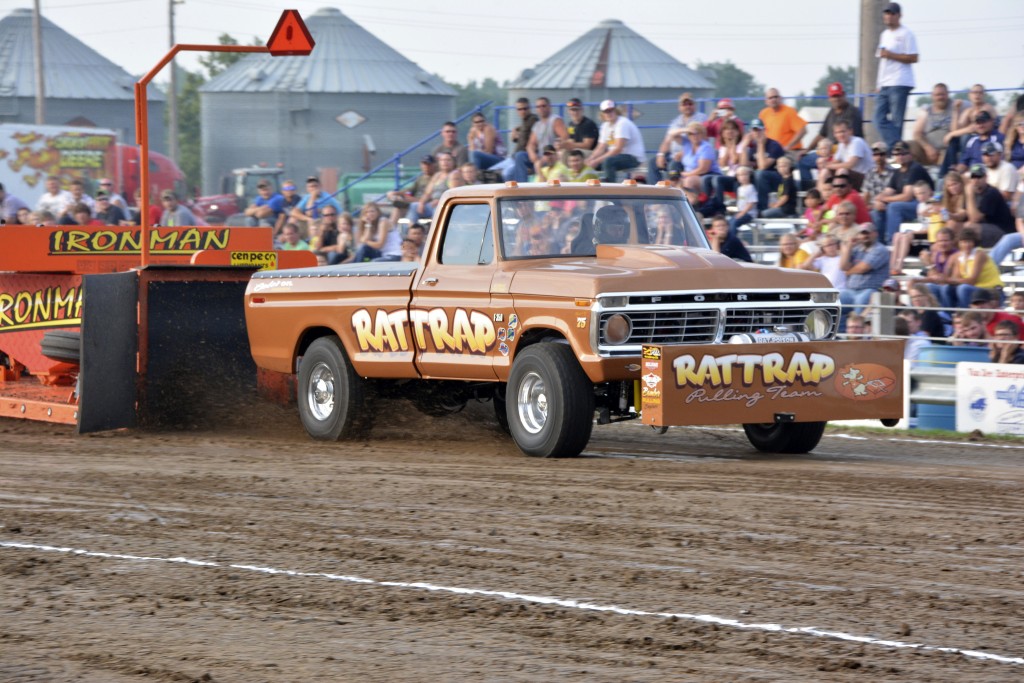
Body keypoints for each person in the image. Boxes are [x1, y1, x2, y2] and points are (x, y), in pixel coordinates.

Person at [871, 140, 934, 244]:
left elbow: (907, 196)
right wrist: (878, 201)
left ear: (910, 155)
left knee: (894, 207)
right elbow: (888, 191)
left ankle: (892, 243)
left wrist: (885, 200)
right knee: (876, 210)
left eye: (903, 153)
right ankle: (879, 244)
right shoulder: (897, 172)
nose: (900, 156)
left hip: (924, 204)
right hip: (910, 205)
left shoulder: (915, 168)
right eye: (897, 154)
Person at [874, 2, 919, 149]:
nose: (889, 16)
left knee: (897, 121)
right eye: (886, 13)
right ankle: (898, 147)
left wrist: (891, 55)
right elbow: (882, 61)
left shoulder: (906, 33)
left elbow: (914, 57)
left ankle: (896, 152)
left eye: (892, 13)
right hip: (885, 83)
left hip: (900, 82)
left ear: (899, 15)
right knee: (877, 118)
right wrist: (878, 84)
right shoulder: (884, 35)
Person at [935, 227, 1004, 310]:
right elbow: (955, 278)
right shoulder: (959, 257)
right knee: (946, 288)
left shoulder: (979, 254)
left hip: (991, 289)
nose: (966, 245)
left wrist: (948, 279)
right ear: (959, 243)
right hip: (975, 289)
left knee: (963, 288)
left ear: (974, 242)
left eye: (969, 242)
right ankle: (948, 314)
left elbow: (971, 281)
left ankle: (966, 314)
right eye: (963, 242)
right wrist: (948, 279)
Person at [838, 223, 890, 325]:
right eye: (862, 233)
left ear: (875, 234)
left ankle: (859, 336)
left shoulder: (880, 249)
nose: (865, 236)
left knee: (860, 307)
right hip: (850, 290)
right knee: (834, 305)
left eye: (868, 233)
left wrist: (849, 271)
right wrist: (848, 246)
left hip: (870, 290)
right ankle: (840, 336)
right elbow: (842, 267)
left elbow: (863, 268)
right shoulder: (856, 249)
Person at [586, 101, 646, 182]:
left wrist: (596, 161)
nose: (609, 113)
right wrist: (590, 159)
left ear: (616, 111)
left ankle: (610, 186)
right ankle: (592, 185)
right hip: (619, 157)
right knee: (590, 163)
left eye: (611, 110)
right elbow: (600, 147)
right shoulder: (605, 126)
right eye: (606, 111)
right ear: (602, 114)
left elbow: (618, 149)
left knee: (608, 161)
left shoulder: (622, 123)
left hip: (633, 158)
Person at [654, 93, 709, 181]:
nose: (687, 106)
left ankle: (673, 190)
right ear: (679, 107)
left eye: (690, 104)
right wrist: (660, 154)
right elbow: (667, 140)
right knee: (653, 163)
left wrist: (684, 151)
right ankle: (655, 190)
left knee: (674, 165)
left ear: (694, 105)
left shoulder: (701, 118)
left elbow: (702, 139)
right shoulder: (676, 121)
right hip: (673, 154)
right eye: (684, 104)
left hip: (690, 154)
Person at [514, 97, 567, 183]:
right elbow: (531, 144)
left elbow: (564, 138)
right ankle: (522, 186)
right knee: (519, 156)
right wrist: (532, 155)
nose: (541, 109)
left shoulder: (555, 121)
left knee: (509, 172)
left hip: (552, 156)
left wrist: (551, 154)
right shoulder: (537, 125)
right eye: (538, 107)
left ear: (549, 107)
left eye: (543, 106)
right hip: (540, 158)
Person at [889, 180, 938, 275]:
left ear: (930, 192)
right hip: (923, 234)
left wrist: (913, 233)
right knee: (897, 235)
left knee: (907, 235)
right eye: (918, 194)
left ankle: (899, 266)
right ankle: (892, 266)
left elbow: (931, 228)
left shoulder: (935, 205)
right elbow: (923, 225)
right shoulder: (920, 206)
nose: (921, 196)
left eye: (923, 193)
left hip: (931, 237)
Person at [964, 163, 1015, 249]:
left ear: (986, 178)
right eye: (973, 177)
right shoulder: (974, 192)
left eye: (979, 177)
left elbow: (975, 218)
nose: (976, 180)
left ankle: (974, 255)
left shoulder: (991, 193)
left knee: (970, 228)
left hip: (1004, 231)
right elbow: (966, 213)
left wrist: (969, 195)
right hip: (987, 227)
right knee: (958, 226)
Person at [745, 118, 787, 212]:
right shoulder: (752, 147)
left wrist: (760, 145)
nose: (757, 133)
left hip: (778, 178)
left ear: (764, 130)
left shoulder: (774, 145)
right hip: (761, 180)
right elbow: (744, 163)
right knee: (741, 174)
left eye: (759, 130)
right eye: (754, 130)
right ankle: (743, 208)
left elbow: (763, 166)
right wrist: (744, 146)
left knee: (760, 173)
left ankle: (762, 208)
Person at [911, 83, 954, 171]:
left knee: (948, 155)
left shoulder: (956, 107)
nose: (940, 97)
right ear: (932, 96)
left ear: (947, 94)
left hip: (946, 149)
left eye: (943, 94)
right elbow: (917, 133)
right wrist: (928, 147)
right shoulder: (926, 110)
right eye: (937, 95)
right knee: (909, 146)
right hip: (926, 149)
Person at [823, 120, 872, 190]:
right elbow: (835, 162)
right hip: (852, 176)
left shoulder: (857, 142)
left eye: (842, 131)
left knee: (842, 171)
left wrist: (829, 165)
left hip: (866, 177)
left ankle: (840, 195)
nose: (840, 135)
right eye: (837, 132)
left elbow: (850, 164)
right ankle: (822, 197)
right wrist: (824, 163)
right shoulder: (841, 145)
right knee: (825, 172)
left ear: (850, 131)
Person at [411, 152, 456, 224]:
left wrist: (440, 201)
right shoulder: (437, 175)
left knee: (438, 209)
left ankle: (434, 233)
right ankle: (412, 230)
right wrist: (422, 203)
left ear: (453, 162)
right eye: (442, 160)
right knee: (414, 206)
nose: (445, 162)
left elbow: (454, 194)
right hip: (432, 204)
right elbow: (427, 192)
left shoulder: (455, 174)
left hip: (446, 205)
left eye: (448, 160)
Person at [758, 88, 807, 153]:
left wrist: (788, 146)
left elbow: (802, 131)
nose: (773, 99)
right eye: (770, 98)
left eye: (776, 97)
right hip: (771, 152)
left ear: (780, 98)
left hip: (789, 151)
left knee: (781, 162)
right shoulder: (763, 113)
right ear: (766, 101)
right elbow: (759, 132)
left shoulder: (789, 111)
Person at [678, 122, 720, 193]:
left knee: (689, 181)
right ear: (688, 135)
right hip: (689, 174)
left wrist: (685, 174)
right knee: (673, 182)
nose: (695, 136)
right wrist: (686, 130)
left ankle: (693, 202)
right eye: (691, 134)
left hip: (708, 174)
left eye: (698, 133)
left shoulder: (706, 147)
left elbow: (703, 169)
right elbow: (671, 134)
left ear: (703, 135)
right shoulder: (687, 145)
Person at [728, 166, 757, 234]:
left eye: (745, 174)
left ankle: (733, 239)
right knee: (729, 223)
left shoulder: (751, 188)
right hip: (741, 212)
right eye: (740, 175)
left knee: (734, 223)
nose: (743, 177)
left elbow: (751, 203)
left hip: (749, 213)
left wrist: (742, 213)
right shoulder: (739, 188)